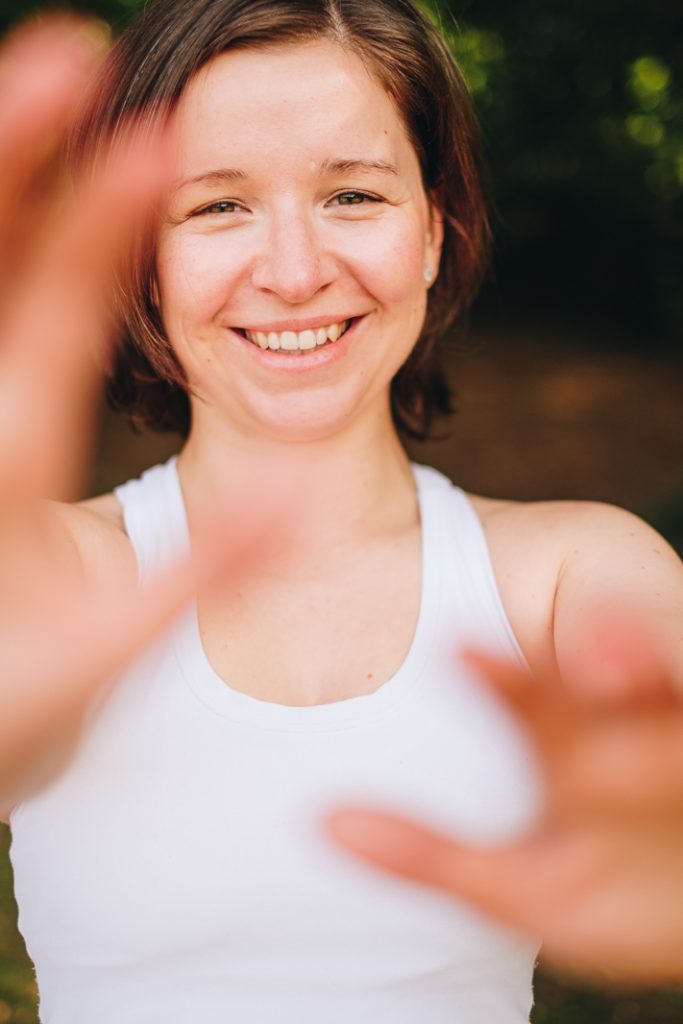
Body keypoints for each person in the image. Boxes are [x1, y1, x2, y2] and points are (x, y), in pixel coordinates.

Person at [1, 2, 682, 1021]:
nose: (292, 270)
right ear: (142, 259)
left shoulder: (578, 578)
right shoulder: (47, 581)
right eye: (218, 207)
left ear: (433, 232)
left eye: (352, 195)